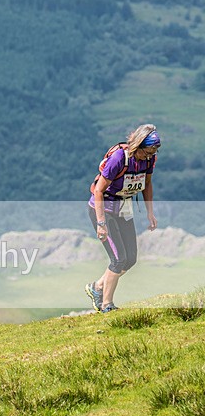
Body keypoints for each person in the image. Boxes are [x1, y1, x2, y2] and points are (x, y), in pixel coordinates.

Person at [86, 124, 159, 313]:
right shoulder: (119, 158)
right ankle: (106, 305)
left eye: (153, 153)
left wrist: (150, 212)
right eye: (146, 152)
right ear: (137, 145)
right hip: (103, 210)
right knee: (118, 259)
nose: (149, 156)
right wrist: (101, 224)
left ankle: (98, 286)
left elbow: (147, 185)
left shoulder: (149, 160)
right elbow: (99, 191)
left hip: (123, 208)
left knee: (131, 259)